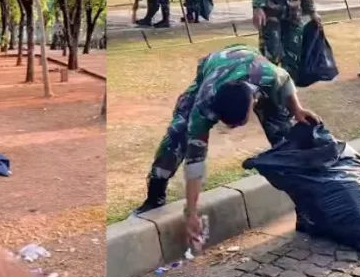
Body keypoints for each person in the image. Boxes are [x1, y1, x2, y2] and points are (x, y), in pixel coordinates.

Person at [132, 45, 321, 246]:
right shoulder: (204, 105)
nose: (233, 129)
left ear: (253, 103)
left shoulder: (269, 77)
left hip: (251, 64)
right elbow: (195, 164)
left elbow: (286, 81)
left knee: (285, 142)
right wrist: (192, 212)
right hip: (214, 66)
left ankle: (306, 208)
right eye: (226, 123)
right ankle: (155, 195)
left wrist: (297, 109)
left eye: (239, 123)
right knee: (178, 133)